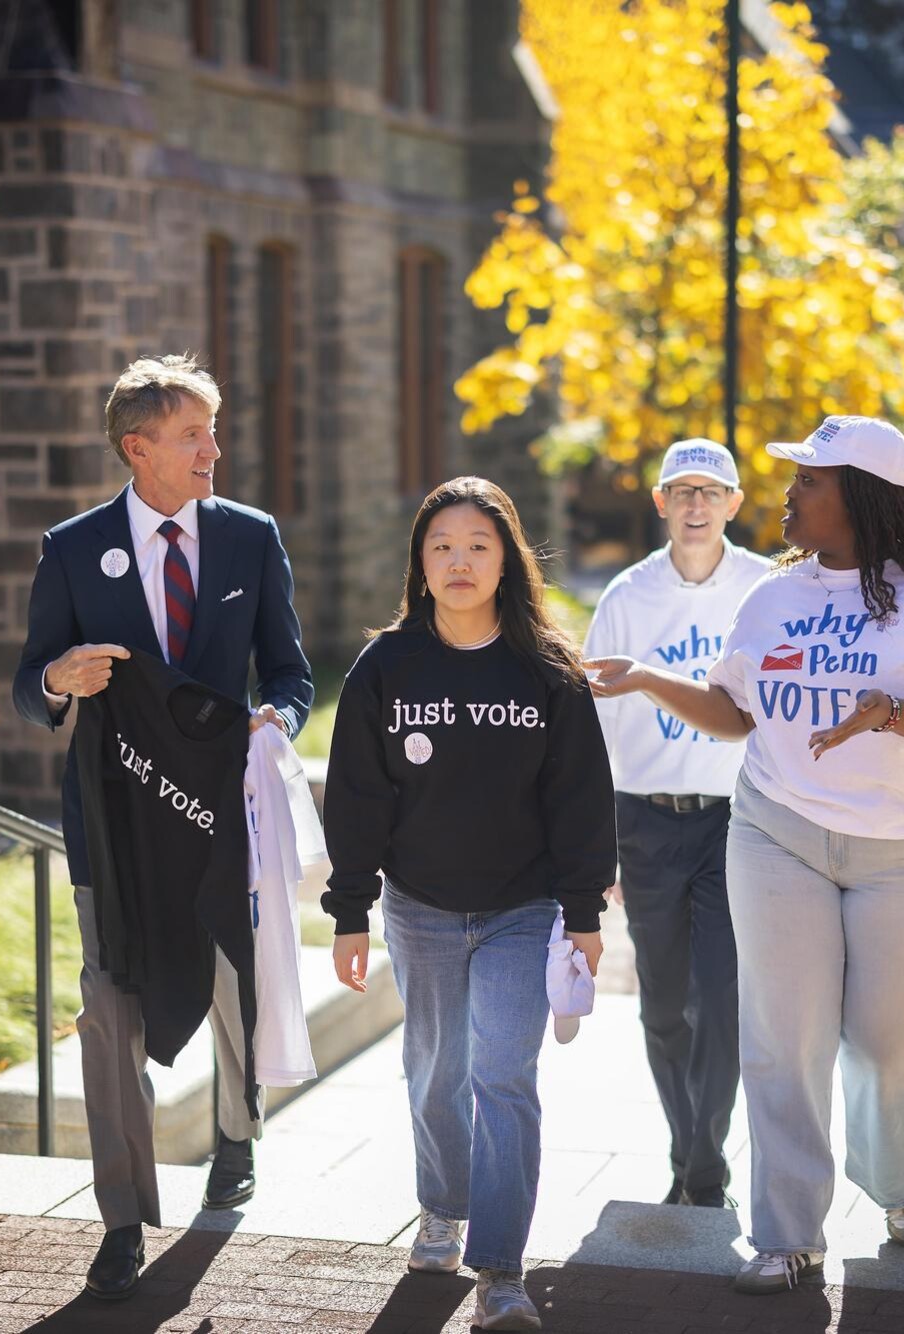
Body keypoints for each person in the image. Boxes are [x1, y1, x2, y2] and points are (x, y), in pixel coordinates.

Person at [590, 416, 904, 1296]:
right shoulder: (775, 596)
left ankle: (901, 1184)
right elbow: (735, 713)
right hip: (776, 830)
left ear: (859, 494)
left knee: (886, 1041)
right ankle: (787, 1235)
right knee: (783, 1037)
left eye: (810, 480)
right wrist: (650, 680)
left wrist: (889, 713)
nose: (791, 493)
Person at [11, 353, 313, 1300]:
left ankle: (236, 1133)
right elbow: (29, 683)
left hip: (222, 816)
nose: (214, 452)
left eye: (213, 432)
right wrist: (59, 681)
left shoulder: (250, 540)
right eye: (194, 436)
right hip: (112, 825)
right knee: (110, 1014)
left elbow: (292, 674)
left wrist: (281, 723)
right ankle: (121, 1221)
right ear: (139, 448)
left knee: (230, 987)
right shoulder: (71, 549)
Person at [324, 476, 615, 1332]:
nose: (459, 562)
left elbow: (580, 797)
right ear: (420, 560)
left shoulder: (548, 670)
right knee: (435, 1075)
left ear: (506, 560)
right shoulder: (386, 666)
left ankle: (500, 1269)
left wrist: (584, 914)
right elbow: (356, 799)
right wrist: (349, 909)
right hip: (419, 908)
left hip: (522, 908)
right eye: (442, 547)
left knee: (504, 1077)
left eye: (478, 547)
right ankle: (441, 1207)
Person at [582, 438, 772, 1208]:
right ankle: (687, 1147)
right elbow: (589, 729)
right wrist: (597, 850)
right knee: (664, 1002)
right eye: (681, 490)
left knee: (723, 999)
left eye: (711, 491)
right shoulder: (627, 598)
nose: (696, 504)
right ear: (659, 503)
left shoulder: (767, 590)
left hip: (738, 819)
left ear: (734, 503)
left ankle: (702, 1167)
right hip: (647, 822)